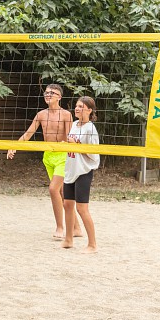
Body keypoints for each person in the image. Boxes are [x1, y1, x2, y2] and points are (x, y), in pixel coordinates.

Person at [7, 83, 82, 240]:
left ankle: (60, 227)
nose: (48, 95)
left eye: (52, 93)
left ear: (59, 97)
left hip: (63, 156)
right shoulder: (41, 115)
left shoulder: (66, 115)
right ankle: (76, 228)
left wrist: (67, 144)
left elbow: (69, 137)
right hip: (48, 156)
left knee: (53, 189)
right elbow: (28, 134)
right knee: (61, 193)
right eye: (46, 92)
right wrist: (14, 146)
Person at [62, 96, 100, 253]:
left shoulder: (90, 129)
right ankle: (69, 239)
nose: (77, 108)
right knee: (67, 205)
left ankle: (92, 245)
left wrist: (75, 145)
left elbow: (92, 153)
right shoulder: (74, 124)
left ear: (89, 110)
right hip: (71, 169)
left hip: (84, 171)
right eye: (76, 106)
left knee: (82, 209)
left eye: (81, 106)